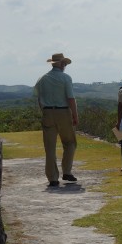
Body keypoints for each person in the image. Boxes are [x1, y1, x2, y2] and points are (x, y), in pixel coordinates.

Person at [33, 53, 79, 187]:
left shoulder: (42, 79)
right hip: (63, 111)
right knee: (70, 142)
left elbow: (39, 98)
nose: (65, 65)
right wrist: (75, 115)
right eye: (63, 63)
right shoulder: (65, 78)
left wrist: (45, 112)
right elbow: (70, 98)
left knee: (50, 147)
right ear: (60, 64)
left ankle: (53, 178)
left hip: (47, 112)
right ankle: (67, 171)